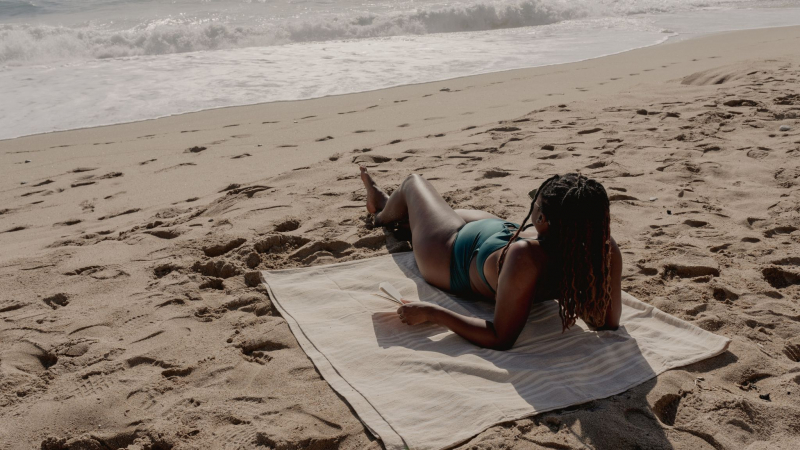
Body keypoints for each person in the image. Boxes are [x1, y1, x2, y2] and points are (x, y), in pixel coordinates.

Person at [359, 166, 623, 350]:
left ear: (542, 218)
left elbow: (499, 337)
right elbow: (607, 321)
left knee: (413, 183)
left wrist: (432, 313)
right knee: (423, 216)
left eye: (535, 200)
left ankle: (380, 213)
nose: (532, 204)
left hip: (451, 252)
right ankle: (397, 214)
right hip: (499, 232)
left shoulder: (525, 257)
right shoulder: (601, 248)